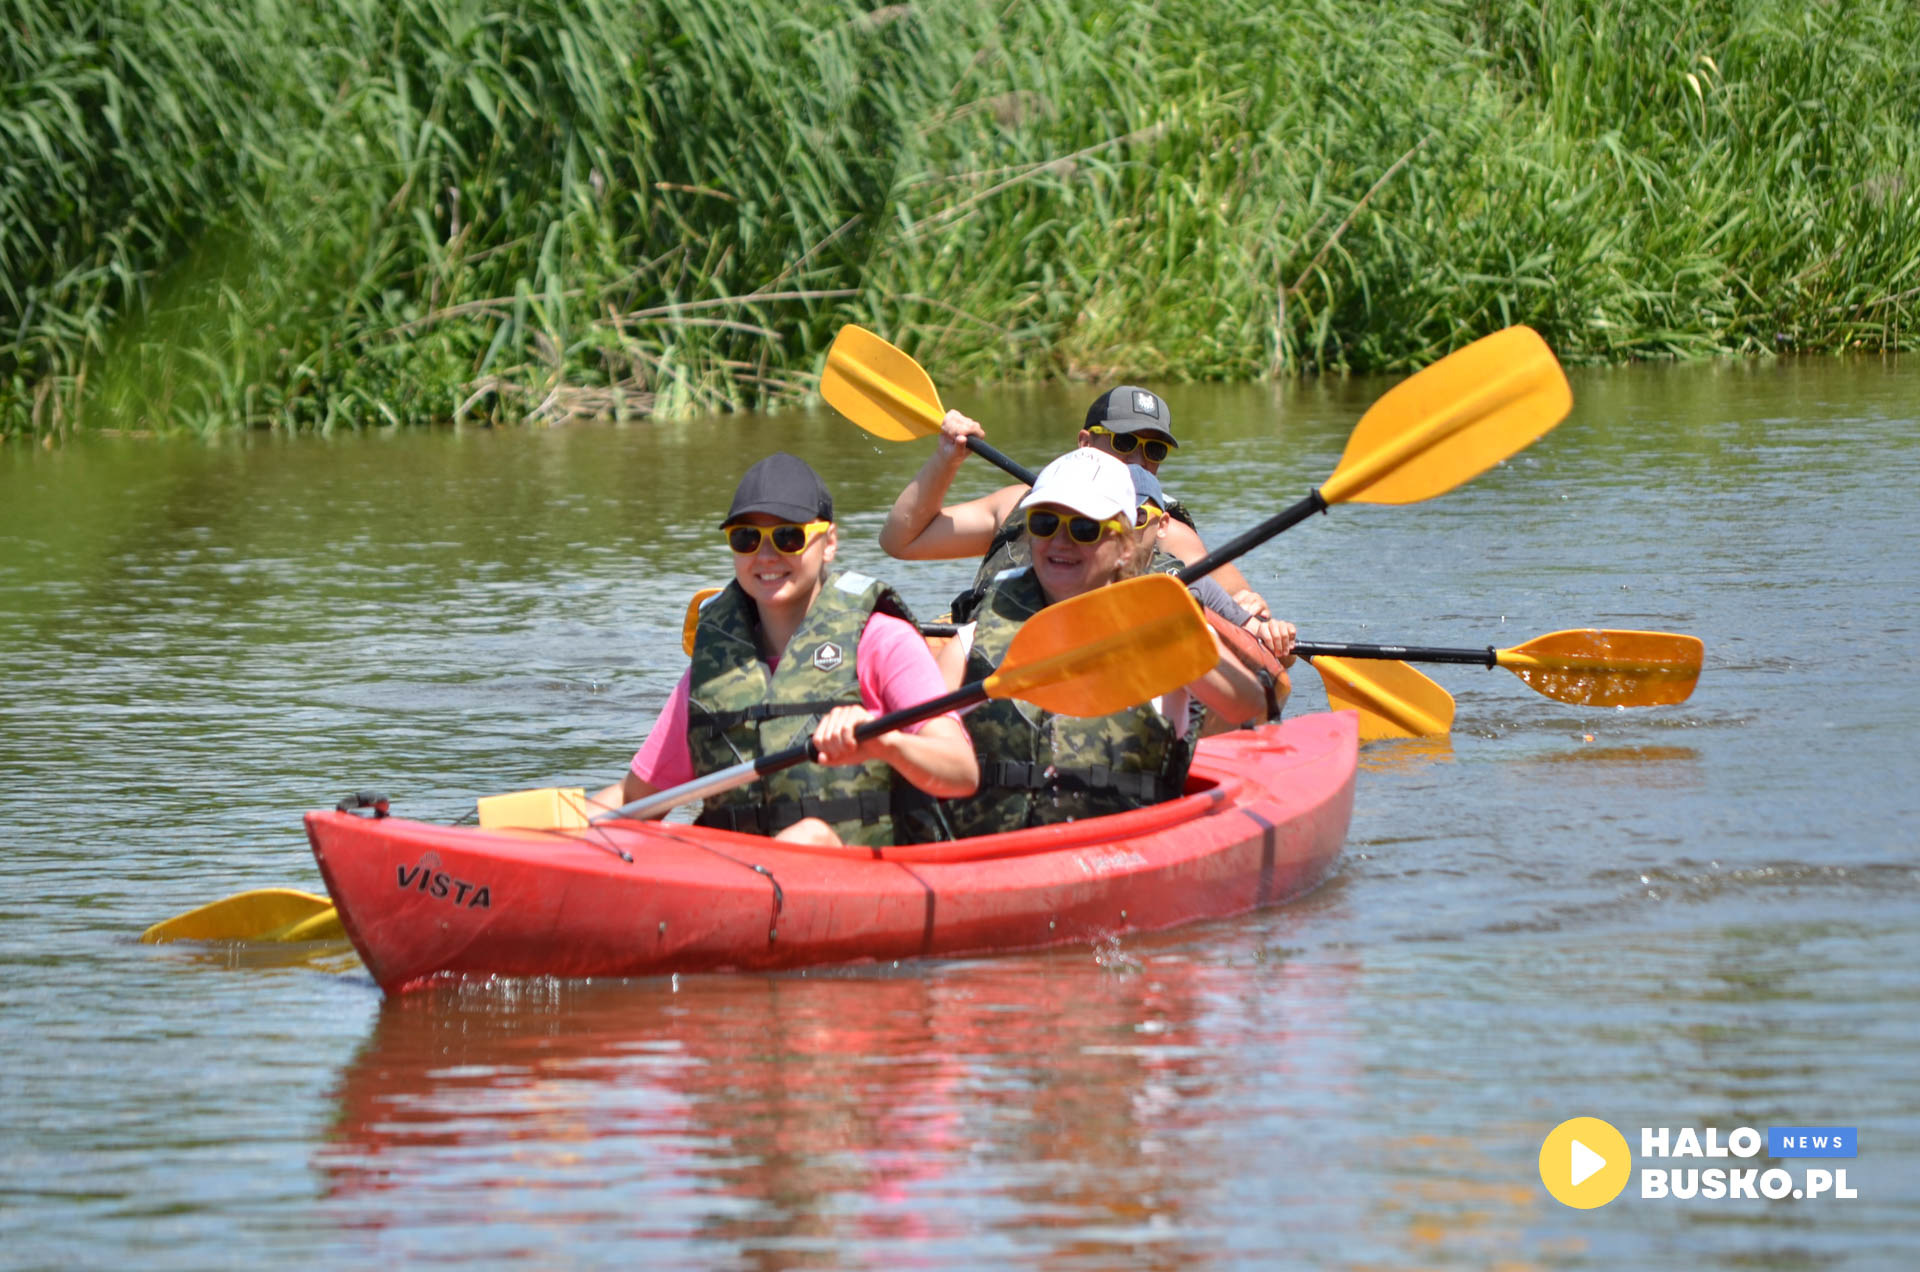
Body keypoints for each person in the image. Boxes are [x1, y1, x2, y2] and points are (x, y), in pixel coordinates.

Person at [599, 453, 977, 847]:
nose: (765, 556)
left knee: (809, 835)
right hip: (738, 871)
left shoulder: (883, 641)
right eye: (746, 538)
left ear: (828, 542)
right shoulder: (717, 666)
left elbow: (962, 772)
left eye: (788, 537)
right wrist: (551, 830)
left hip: (865, 873)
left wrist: (886, 744)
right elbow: (633, 800)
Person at [932, 448, 1269, 837]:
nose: (1060, 541)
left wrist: (1178, 642)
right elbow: (920, 737)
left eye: (1084, 528)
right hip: (994, 856)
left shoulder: (1163, 627)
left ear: (1125, 545)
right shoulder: (974, 639)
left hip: (1126, 855)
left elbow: (1250, 707)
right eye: (1045, 523)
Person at [877, 386, 1296, 657]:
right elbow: (902, 541)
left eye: (1154, 450)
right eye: (1125, 442)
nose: (1138, 459)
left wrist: (1251, 606)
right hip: (987, 653)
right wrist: (946, 459)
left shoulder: (1162, 529)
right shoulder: (1017, 504)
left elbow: (1235, 593)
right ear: (1085, 441)